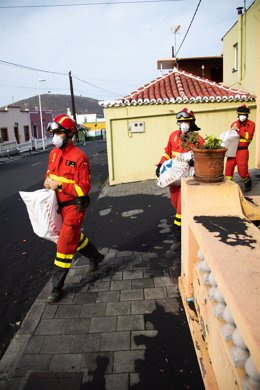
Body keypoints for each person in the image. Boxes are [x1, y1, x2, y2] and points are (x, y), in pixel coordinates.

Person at [44, 114, 104, 303]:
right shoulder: (53, 154)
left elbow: (83, 189)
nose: (55, 136)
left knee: (64, 243)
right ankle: (96, 256)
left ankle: (56, 288)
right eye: (53, 133)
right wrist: (47, 182)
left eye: (59, 132)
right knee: (73, 237)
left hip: (74, 206)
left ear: (69, 134)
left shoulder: (80, 157)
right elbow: (49, 175)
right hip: (57, 205)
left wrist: (59, 186)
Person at [156, 108, 204, 250]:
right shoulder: (173, 136)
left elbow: (204, 157)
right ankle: (185, 227)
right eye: (181, 121)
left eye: (186, 122)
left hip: (188, 178)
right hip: (174, 177)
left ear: (191, 123)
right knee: (175, 202)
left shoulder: (198, 139)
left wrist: (195, 162)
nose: (183, 124)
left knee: (180, 208)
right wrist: (160, 164)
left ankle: (178, 234)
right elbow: (167, 153)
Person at [225, 104, 255, 192]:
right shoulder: (234, 124)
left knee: (242, 170)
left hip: (243, 150)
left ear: (247, 115)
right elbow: (231, 136)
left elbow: (248, 136)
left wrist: (238, 130)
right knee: (228, 169)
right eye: (241, 114)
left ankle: (247, 181)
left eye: (244, 115)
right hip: (232, 149)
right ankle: (228, 187)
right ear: (238, 115)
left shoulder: (251, 124)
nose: (243, 116)